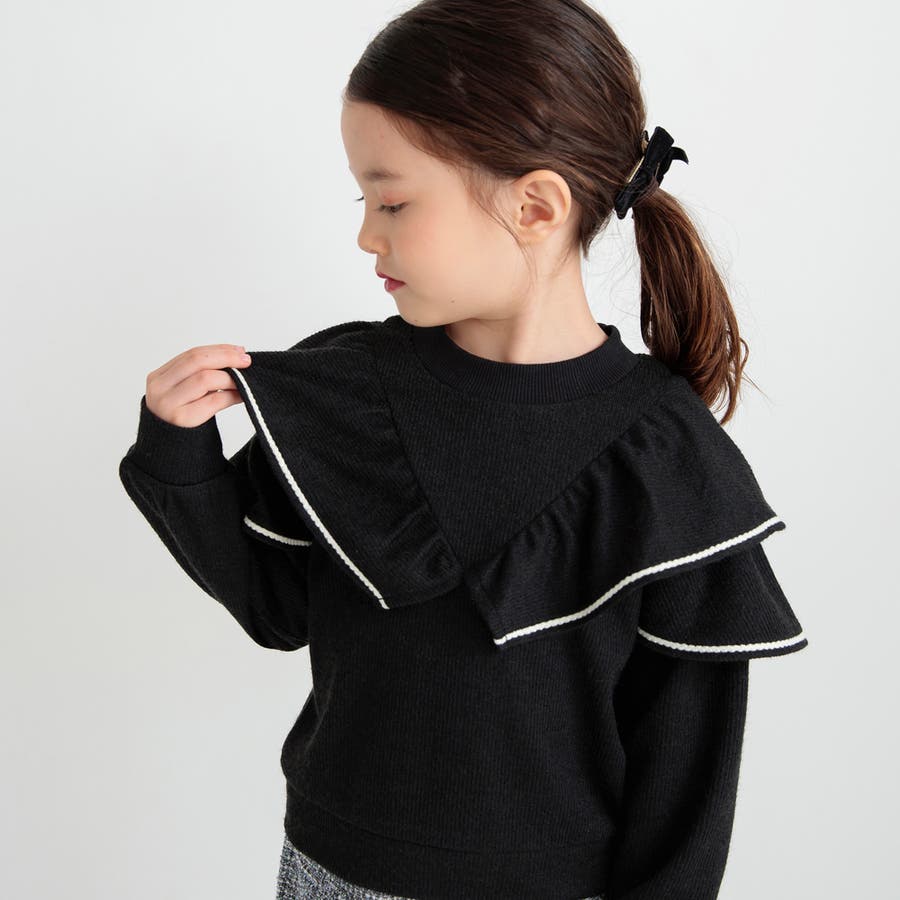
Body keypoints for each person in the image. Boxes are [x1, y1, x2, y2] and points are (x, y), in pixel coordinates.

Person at [118, 1, 808, 898]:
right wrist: (181, 455)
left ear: (535, 205)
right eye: (364, 201)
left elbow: (687, 786)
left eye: (393, 201)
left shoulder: (665, 459)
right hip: (329, 872)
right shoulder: (349, 391)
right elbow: (277, 608)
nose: (367, 234)